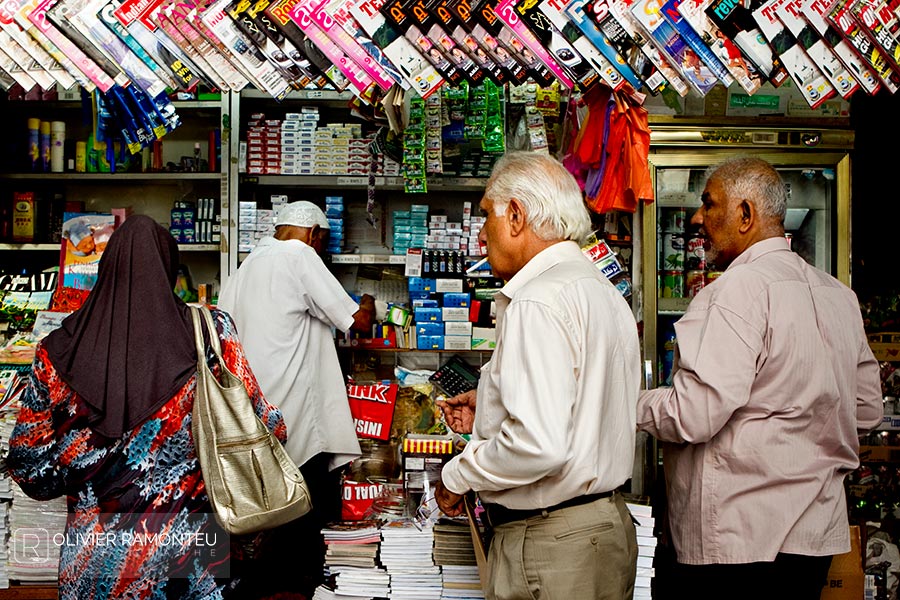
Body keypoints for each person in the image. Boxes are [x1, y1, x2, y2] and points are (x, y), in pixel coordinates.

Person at [636, 157, 884, 600]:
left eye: (708, 204)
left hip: (738, 538)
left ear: (745, 215)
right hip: (813, 537)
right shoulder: (839, 297)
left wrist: (631, 403)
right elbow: (866, 409)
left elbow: (694, 415)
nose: (698, 218)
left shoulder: (734, 291)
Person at [6, 215, 286, 599]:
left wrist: (86, 480)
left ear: (107, 268)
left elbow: (30, 469)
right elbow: (267, 425)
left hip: (94, 565)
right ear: (170, 268)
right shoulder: (212, 332)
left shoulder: (58, 349)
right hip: (195, 560)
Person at [434, 152, 640, 600]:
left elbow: (538, 445)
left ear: (516, 215)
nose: (481, 232)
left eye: (487, 214)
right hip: (602, 530)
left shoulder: (537, 300)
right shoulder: (600, 289)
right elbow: (584, 402)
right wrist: (489, 402)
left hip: (552, 545)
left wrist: (458, 475)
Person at [217, 200, 375, 597]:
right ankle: (305, 588)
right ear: (314, 235)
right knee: (307, 519)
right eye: (321, 242)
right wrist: (369, 300)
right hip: (297, 418)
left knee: (267, 519)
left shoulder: (245, 267)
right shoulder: (300, 255)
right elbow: (357, 322)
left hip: (253, 417)